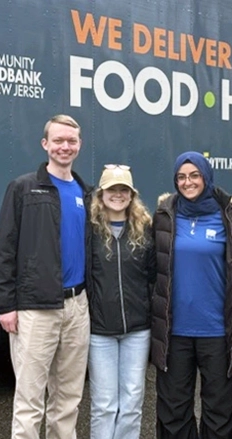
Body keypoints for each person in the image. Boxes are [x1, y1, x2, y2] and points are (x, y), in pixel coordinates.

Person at [0, 114, 92, 439]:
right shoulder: (23, 188)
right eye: (58, 140)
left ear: (79, 145)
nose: (65, 146)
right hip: (36, 309)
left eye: (71, 141)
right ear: (45, 144)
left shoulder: (85, 193)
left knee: (68, 399)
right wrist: (5, 305)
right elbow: (4, 248)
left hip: (77, 307)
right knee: (29, 400)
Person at [150, 151, 232, 439]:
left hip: (218, 332)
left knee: (221, 411)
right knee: (173, 410)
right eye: (181, 176)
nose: (187, 182)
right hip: (173, 332)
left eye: (194, 175)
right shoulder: (165, 216)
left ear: (206, 176)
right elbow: (151, 269)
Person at [86, 164, 156, 439]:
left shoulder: (145, 229)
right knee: (104, 405)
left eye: (123, 189)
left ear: (131, 195)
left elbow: (153, 275)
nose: (118, 195)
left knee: (132, 402)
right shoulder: (89, 231)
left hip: (137, 331)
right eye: (111, 189)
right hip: (100, 331)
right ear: (101, 194)